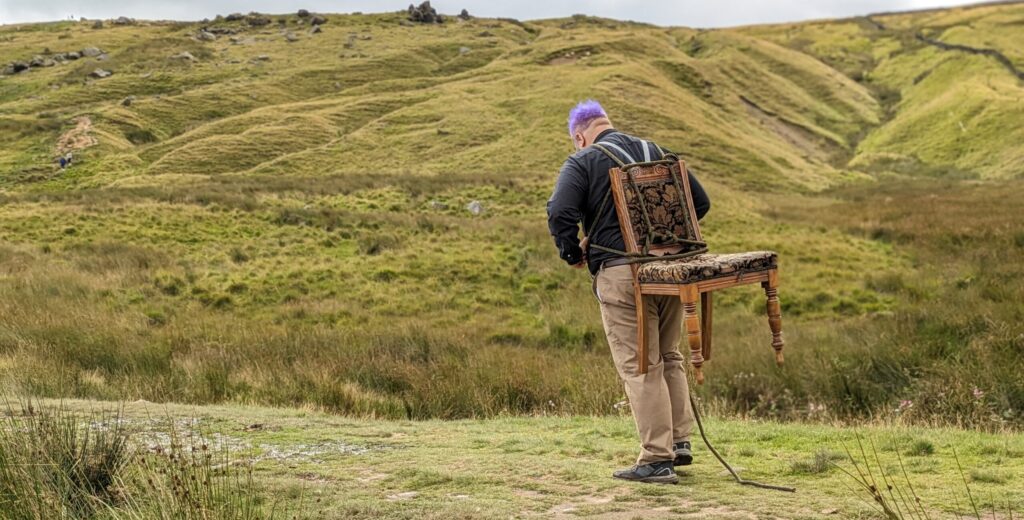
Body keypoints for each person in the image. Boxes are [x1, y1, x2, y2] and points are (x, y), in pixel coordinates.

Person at [546, 100, 711, 484]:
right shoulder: (656, 151)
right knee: (669, 356)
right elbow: (699, 203)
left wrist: (573, 252)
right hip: (669, 271)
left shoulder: (582, 161)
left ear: (579, 136)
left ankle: (656, 458)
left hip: (621, 273)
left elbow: (559, 212)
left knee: (640, 365)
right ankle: (680, 441)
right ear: (608, 124)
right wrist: (664, 239)